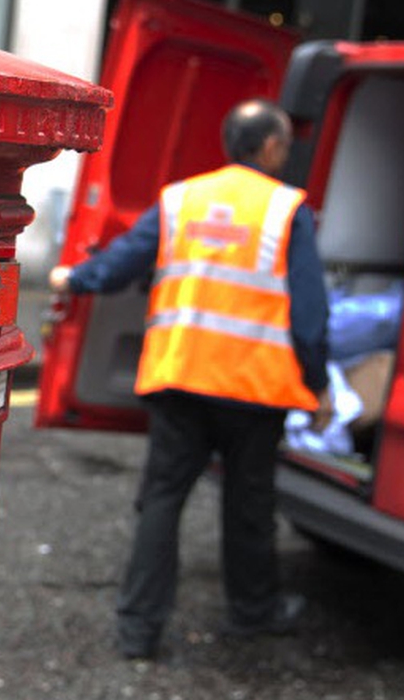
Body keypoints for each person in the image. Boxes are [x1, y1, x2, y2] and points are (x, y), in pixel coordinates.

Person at [49, 98, 334, 661]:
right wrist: (317, 381)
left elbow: (127, 260)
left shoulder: (182, 199)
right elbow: (309, 316)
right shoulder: (286, 209)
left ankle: (138, 632)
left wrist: (72, 278)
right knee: (248, 503)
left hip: (180, 376)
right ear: (272, 146)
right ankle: (252, 614)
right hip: (253, 388)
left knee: (161, 501)